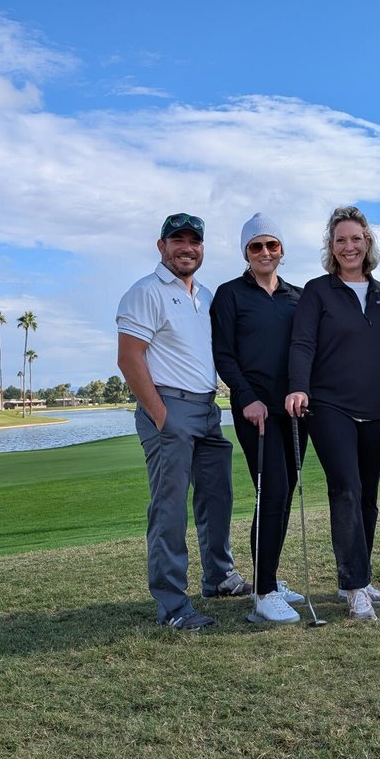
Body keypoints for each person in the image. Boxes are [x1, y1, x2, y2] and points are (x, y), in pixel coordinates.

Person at [116, 212, 248, 631]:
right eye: (178, 241)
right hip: (169, 407)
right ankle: (172, 604)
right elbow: (129, 359)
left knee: (217, 497)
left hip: (208, 410)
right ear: (162, 246)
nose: (186, 248)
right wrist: (162, 416)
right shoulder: (145, 292)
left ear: (202, 248)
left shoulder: (205, 296)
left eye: (194, 241)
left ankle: (219, 577)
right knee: (169, 510)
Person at [285, 206, 380, 621]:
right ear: (331, 248)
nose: (349, 246)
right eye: (340, 240)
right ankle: (354, 587)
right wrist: (298, 385)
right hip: (330, 406)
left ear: (368, 243)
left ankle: (359, 576)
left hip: (378, 407)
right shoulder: (318, 291)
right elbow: (302, 343)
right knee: (346, 489)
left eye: (356, 238)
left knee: (368, 496)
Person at [211, 213, 308, 625]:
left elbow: (306, 349)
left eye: (272, 245)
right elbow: (224, 355)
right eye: (256, 246)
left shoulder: (298, 297)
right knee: (271, 492)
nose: (265, 252)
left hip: (294, 412)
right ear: (246, 252)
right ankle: (264, 593)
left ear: (282, 250)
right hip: (255, 413)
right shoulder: (230, 294)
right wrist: (246, 398)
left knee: (284, 495)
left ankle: (267, 577)